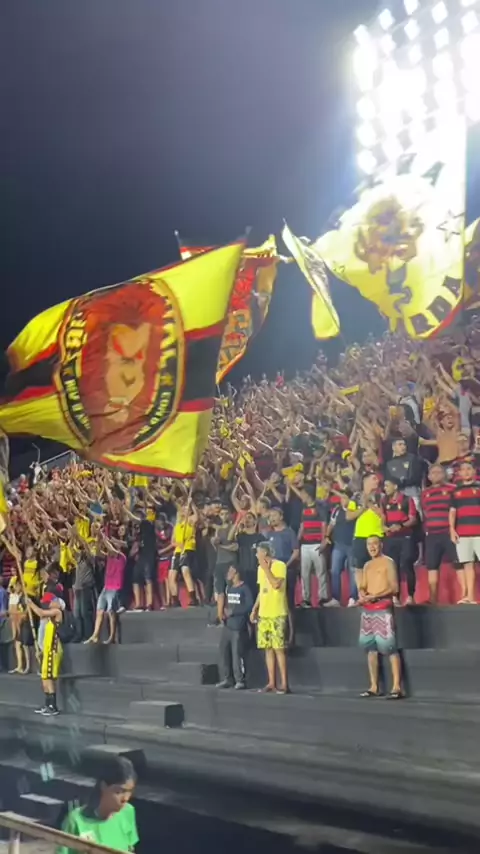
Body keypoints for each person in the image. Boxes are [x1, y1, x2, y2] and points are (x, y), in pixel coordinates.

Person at [57, 756, 138, 853]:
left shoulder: (127, 812)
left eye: (129, 791)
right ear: (103, 786)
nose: (125, 798)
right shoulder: (76, 821)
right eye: (119, 791)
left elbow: (130, 849)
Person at [358, 536, 402, 699]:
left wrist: (376, 596)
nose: (372, 547)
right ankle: (374, 686)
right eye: (369, 544)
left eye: (375, 544)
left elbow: (394, 587)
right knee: (370, 649)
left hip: (383, 608)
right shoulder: (367, 565)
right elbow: (363, 586)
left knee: (390, 648)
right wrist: (363, 595)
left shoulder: (388, 562)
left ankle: (396, 687)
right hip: (368, 610)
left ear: (381, 545)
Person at [250, 542, 289, 694]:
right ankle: (271, 682)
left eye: (258, 552)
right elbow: (262, 590)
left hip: (277, 612)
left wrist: (266, 568)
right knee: (268, 649)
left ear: (265, 553)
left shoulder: (280, 566)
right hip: (264, 613)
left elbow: (276, 585)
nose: (256, 555)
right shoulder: (260, 569)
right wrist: (255, 609)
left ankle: (284, 684)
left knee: (279, 648)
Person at [421, 463, 456, 603]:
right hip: (432, 535)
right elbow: (425, 511)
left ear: (445, 474)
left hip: (449, 533)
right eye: (433, 473)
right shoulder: (425, 493)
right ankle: (433, 599)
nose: (436, 475)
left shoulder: (452, 489)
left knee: (459, 564)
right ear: (429, 477)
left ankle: (466, 597)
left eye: (439, 472)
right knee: (432, 566)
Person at [28, 591, 65, 716]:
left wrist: (31, 604)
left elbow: (40, 613)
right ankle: (47, 703)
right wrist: (41, 650)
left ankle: (53, 706)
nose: (50, 603)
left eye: (53, 601)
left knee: (49, 677)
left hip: (53, 650)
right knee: (44, 677)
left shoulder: (58, 613)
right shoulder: (49, 619)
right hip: (48, 649)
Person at [216, 564, 253, 690]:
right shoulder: (230, 588)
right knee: (224, 652)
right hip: (228, 625)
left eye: (230, 571)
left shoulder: (245, 589)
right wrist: (224, 612)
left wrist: (234, 611)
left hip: (238, 626)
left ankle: (240, 680)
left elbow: (249, 605)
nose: (228, 574)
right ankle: (227, 678)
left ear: (236, 572)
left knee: (237, 654)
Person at [382, 477, 417, 605]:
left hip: (405, 537)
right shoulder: (384, 500)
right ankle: (395, 597)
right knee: (392, 567)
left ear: (395, 486)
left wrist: (401, 526)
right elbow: (383, 517)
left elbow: (413, 519)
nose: (385, 488)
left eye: (387, 485)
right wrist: (383, 527)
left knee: (406, 564)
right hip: (390, 538)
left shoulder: (407, 499)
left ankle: (410, 596)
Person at [449, 460, 480, 604]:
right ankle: (470, 597)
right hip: (463, 533)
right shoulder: (455, 491)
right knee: (468, 564)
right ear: (459, 473)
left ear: (474, 471)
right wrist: (452, 529)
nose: (466, 472)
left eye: (469, 469)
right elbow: (452, 512)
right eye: (463, 469)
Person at [297, 484, 330, 607]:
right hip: (305, 545)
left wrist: (323, 541)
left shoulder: (320, 507)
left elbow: (323, 524)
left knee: (321, 572)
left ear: (308, 494)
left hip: (317, 544)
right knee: (304, 573)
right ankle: (306, 599)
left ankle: (323, 597)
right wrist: (297, 541)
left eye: (302, 493)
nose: (301, 496)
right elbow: (302, 526)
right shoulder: (303, 508)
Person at [327, 490, 357, 606]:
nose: (342, 500)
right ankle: (335, 598)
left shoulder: (355, 510)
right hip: (338, 544)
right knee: (334, 571)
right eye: (341, 498)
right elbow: (331, 524)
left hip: (352, 545)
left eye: (345, 498)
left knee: (352, 571)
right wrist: (326, 536)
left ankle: (353, 597)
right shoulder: (336, 510)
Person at [132, 518, 156, 611]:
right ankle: (138, 604)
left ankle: (149, 603)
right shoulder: (138, 537)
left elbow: (137, 519)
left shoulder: (149, 531)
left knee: (148, 579)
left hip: (148, 558)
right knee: (135, 580)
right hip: (140, 558)